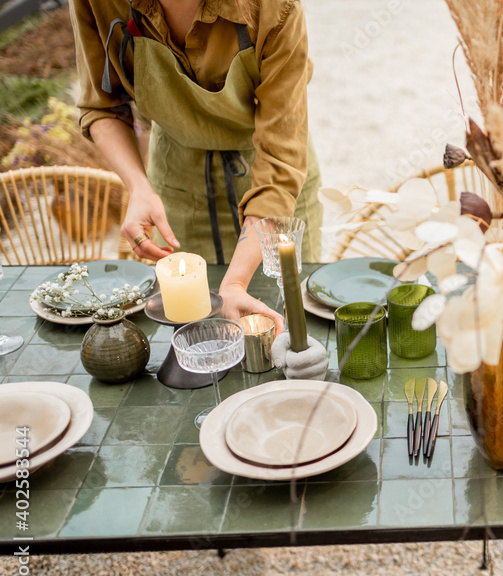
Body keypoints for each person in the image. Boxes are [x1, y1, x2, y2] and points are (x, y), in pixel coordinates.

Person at [69, 0, 323, 331]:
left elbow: (280, 159)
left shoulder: (275, 6)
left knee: (286, 334)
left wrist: (233, 284)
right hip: (177, 185)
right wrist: (138, 187)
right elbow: (101, 105)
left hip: (272, 187)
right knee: (198, 339)